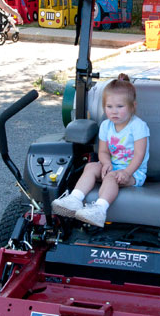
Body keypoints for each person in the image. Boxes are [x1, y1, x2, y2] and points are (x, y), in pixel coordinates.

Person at [51, 74, 150, 227]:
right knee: (91, 166)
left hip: (134, 172)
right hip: (114, 167)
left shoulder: (138, 126)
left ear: (133, 106)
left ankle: (99, 210)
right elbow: (103, 151)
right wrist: (106, 163)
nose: (114, 111)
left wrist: (127, 172)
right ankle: (74, 199)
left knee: (111, 177)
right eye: (109, 107)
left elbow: (139, 155)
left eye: (120, 107)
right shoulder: (106, 125)